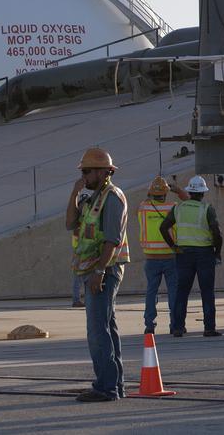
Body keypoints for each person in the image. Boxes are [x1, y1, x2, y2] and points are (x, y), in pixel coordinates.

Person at [64, 147, 129, 402]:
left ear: (104, 172)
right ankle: (115, 385)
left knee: (97, 331)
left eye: (88, 171)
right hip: (94, 270)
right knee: (107, 328)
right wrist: (74, 193)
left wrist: (100, 272)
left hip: (104, 270)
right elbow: (70, 223)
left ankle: (106, 387)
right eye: (83, 171)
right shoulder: (92, 199)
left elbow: (112, 240)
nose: (84, 175)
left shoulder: (112, 198)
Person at [161, 175, 224, 337]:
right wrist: (217, 252)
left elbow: (163, 228)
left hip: (183, 254)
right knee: (207, 292)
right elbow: (217, 232)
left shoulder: (178, 208)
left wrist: (174, 247)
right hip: (205, 253)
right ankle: (209, 328)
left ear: (190, 191)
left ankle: (178, 327)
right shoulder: (207, 209)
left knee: (182, 291)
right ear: (202, 193)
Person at [136, 176, 180, 335]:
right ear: (166, 194)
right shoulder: (173, 207)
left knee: (151, 292)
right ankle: (175, 325)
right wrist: (178, 190)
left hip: (151, 258)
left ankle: (149, 325)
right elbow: (188, 201)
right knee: (174, 292)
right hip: (170, 257)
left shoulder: (143, 208)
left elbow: (146, 200)